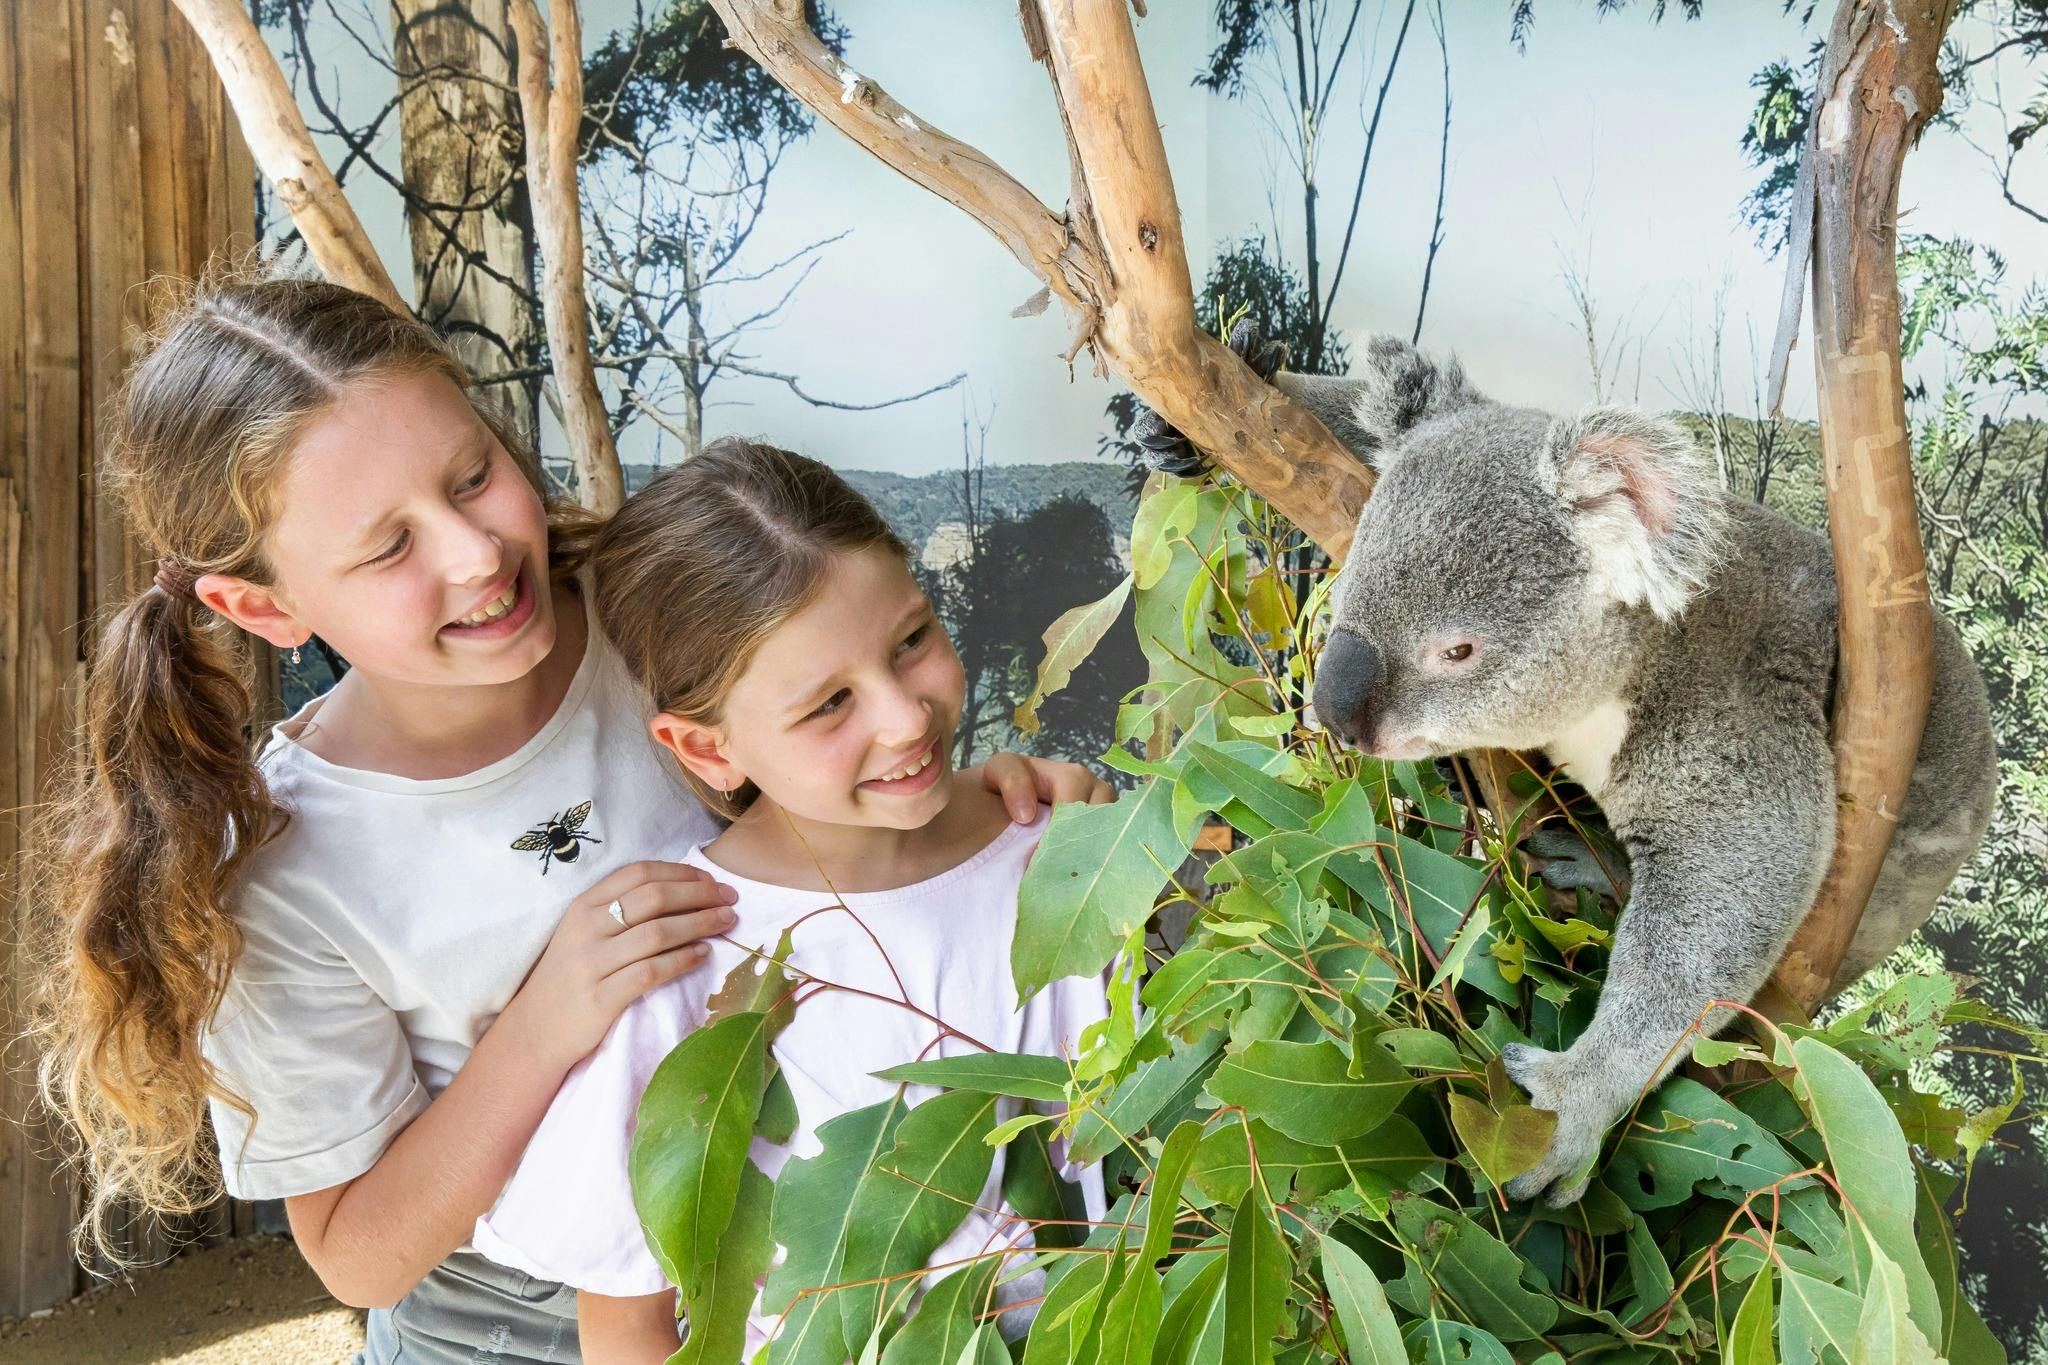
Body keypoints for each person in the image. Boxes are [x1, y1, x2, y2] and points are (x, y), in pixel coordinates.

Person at [29, 276, 1110, 1365]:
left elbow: (853, 786)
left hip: (808, 1289)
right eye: (388, 547)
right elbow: (357, 1259)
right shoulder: (283, 873)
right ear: (266, 609)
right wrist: (550, 1024)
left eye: (473, 476)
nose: (475, 552)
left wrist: (992, 816)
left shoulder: (655, 624)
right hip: (510, 1334)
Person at [471, 439, 1110, 1362]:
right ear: (707, 749)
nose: (904, 715)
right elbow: (629, 1319)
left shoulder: (1061, 856)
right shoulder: (683, 965)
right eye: (828, 705)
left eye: (913, 640)